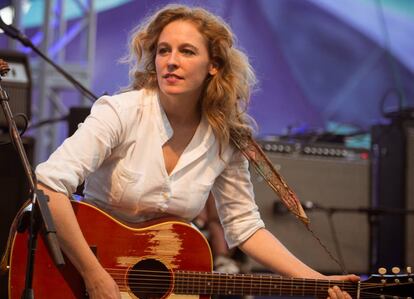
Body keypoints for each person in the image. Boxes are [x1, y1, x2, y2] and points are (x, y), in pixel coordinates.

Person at [35, 4, 359, 299]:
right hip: (77, 276)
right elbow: (49, 187)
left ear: (213, 65)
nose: (171, 61)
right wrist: (94, 274)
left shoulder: (224, 138)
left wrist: (317, 281)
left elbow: (244, 227)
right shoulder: (119, 112)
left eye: (187, 51)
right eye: (163, 50)